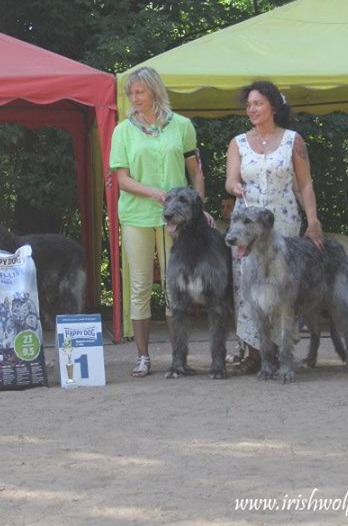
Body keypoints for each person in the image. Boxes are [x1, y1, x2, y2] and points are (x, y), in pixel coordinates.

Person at [110, 66, 211, 377]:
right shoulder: (122, 131)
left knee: (175, 287)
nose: (134, 98)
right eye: (131, 93)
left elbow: (195, 173)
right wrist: (154, 192)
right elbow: (122, 179)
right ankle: (142, 357)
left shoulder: (182, 126)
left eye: (139, 92)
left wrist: (198, 207)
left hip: (178, 220)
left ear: (155, 91)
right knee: (140, 285)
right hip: (137, 215)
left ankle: (177, 358)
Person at [225, 80, 323, 374]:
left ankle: (283, 353)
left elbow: (305, 184)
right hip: (246, 224)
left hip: (284, 222)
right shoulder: (238, 142)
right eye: (249, 105)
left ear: (273, 106)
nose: (252, 109)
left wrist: (313, 220)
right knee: (249, 287)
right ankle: (255, 353)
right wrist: (235, 185)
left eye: (257, 103)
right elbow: (230, 180)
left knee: (282, 288)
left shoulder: (294, 140)